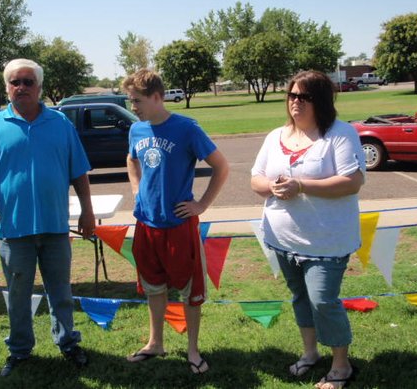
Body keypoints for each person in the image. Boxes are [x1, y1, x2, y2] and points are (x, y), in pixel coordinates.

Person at [0, 58, 95, 377]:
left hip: (55, 227)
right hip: (14, 230)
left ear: (39, 87)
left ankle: (68, 343)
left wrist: (87, 211)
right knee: (18, 296)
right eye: (15, 82)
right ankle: (20, 350)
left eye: (28, 82)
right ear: (6, 87)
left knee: (61, 292)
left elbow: (78, 172)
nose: (21, 87)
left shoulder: (60, 124)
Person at [251, 70, 365, 389]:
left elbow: (352, 181)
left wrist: (301, 185)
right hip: (281, 239)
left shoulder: (340, 134)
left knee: (323, 301)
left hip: (326, 242)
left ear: (321, 101)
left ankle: (341, 366)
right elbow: (255, 179)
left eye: (304, 97)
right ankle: (310, 353)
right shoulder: (276, 136)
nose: (295, 102)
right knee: (301, 297)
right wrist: (272, 187)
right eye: (291, 95)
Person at [123, 69, 229, 374]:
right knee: (153, 286)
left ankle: (192, 350)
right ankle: (155, 342)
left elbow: (221, 167)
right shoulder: (137, 130)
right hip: (146, 224)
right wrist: (136, 188)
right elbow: (131, 159)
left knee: (188, 289)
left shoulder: (187, 128)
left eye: (137, 100)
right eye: (131, 101)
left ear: (157, 97)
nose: (134, 107)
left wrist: (202, 204)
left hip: (179, 226)